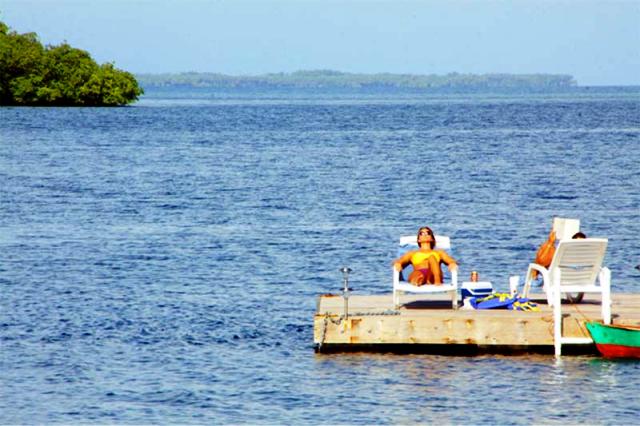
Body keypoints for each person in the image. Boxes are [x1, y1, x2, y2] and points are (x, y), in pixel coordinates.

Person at [393, 226, 458, 285]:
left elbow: (450, 260)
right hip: (419, 272)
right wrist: (398, 264)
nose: (425, 235)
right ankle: (419, 281)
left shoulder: (439, 252)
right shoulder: (412, 253)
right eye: (421, 233)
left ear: (432, 238)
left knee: (431, 258)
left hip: (434, 273)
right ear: (418, 239)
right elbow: (400, 261)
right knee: (416, 275)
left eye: (428, 233)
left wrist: (452, 263)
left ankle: (436, 281)